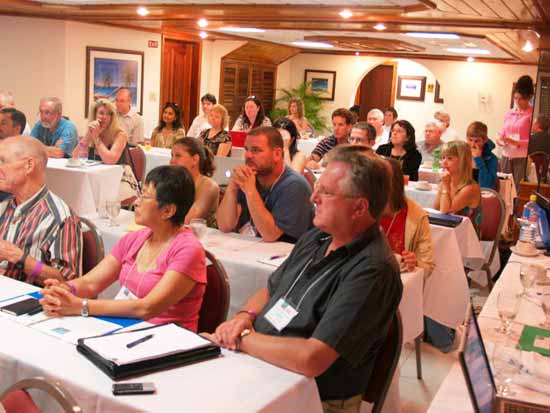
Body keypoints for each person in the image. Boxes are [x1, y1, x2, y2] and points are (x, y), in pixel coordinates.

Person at [204, 151, 402, 411]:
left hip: (313, 395)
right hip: (263, 364)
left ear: (359, 208)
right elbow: (272, 289)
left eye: (326, 193)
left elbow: (312, 358)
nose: (313, 198)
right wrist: (244, 316)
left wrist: (240, 338)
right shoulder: (318, 237)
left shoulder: (373, 270)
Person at [40, 165, 207, 332]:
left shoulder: (188, 250)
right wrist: (65, 289)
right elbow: (90, 283)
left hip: (167, 339)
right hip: (124, 329)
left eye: (145, 197)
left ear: (168, 210)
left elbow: (146, 308)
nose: (136, 202)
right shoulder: (135, 239)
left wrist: (81, 306)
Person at [0, 136, 82, 284]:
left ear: (29, 165)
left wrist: (18, 258)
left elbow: (67, 281)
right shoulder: (5, 206)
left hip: (30, 302)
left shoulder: (60, 218)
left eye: (2, 161)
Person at [217, 127, 313, 243]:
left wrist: (251, 191)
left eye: (256, 150)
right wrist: (232, 187)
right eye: (246, 149)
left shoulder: (294, 185)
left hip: (283, 256)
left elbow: (270, 234)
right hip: (251, 252)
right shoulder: (250, 177)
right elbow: (225, 225)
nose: (248, 155)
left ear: (277, 154)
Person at [74, 99, 138, 202]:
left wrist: (96, 138)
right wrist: (88, 135)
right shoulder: (93, 132)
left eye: (109, 114)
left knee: (98, 197)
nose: (104, 117)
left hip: (120, 179)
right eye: (101, 113)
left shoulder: (120, 134)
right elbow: (75, 156)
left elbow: (110, 160)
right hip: (96, 178)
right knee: (77, 192)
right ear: (94, 115)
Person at [380, 157, 435, 277]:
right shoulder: (362, 208)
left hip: (397, 280)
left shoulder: (417, 216)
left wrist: (414, 263)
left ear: (395, 184)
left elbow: (428, 266)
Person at [170, 137, 219, 227]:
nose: (172, 161)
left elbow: (189, 221)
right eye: (172, 155)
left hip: (203, 238)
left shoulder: (209, 186)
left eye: (178, 156)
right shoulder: (174, 183)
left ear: (195, 160)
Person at [496, 75, 534, 189]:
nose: (517, 101)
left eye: (521, 99)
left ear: (529, 98)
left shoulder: (531, 115)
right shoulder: (509, 113)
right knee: (504, 187)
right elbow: (502, 132)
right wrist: (500, 140)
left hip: (521, 157)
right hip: (506, 155)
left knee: (517, 189)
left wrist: (515, 142)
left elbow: (531, 142)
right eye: (515, 98)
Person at [434, 140, 481, 225]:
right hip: (449, 231)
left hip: (465, 234)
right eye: (443, 157)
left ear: (462, 161)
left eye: (449, 158)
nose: (444, 162)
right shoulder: (447, 181)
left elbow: (445, 213)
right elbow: (436, 208)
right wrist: (444, 186)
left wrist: (445, 187)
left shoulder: (470, 188)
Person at [466, 121, 497, 190]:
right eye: (470, 140)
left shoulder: (491, 159)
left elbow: (486, 186)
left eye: (477, 141)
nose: (473, 145)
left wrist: (478, 160)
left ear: (485, 140)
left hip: (481, 195)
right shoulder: (463, 154)